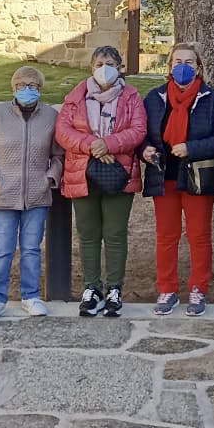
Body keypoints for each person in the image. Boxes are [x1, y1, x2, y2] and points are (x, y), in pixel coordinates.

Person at [56, 45, 146, 318]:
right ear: (91, 67)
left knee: (115, 234)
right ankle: (91, 288)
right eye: (98, 63)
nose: (103, 68)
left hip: (118, 172)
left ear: (119, 67)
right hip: (82, 172)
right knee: (88, 234)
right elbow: (63, 131)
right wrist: (92, 145)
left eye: (109, 63)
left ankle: (114, 288)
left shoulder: (131, 97)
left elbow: (138, 130)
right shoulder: (75, 97)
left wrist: (108, 144)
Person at [142, 43, 214, 317]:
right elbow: (140, 131)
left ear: (198, 67)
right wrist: (143, 149)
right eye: (178, 61)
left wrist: (192, 147)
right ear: (169, 66)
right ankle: (167, 289)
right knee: (166, 236)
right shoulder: (154, 97)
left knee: (198, 235)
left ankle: (198, 288)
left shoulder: (211, 98)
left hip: (197, 177)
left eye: (189, 62)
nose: (183, 67)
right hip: (163, 175)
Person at [0, 65, 63, 321]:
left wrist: (49, 179)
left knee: (31, 248)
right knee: (3, 249)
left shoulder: (50, 116)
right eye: (22, 85)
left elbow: (58, 155)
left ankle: (31, 296)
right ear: (13, 88)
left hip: (37, 195)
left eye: (33, 85)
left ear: (40, 89)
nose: (27, 89)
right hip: (3, 195)